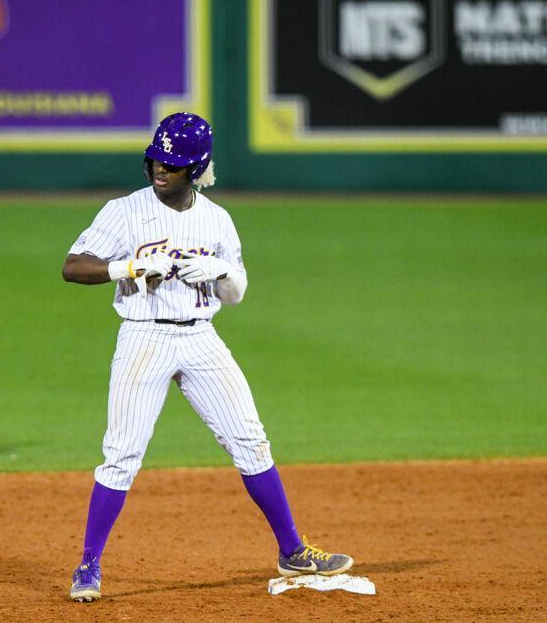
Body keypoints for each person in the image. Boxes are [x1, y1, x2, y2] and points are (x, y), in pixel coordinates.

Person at [62, 112, 353, 602]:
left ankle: (293, 551)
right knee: (121, 456)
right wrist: (126, 266)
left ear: (196, 169)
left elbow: (236, 294)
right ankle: (89, 566)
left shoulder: (216, 219)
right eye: (157, 159)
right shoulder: (124, 211)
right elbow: (72, 267)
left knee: (251, 442)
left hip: (201, 338)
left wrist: (219, 270)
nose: (161, 169)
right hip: (143, 337)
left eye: (173, 165)